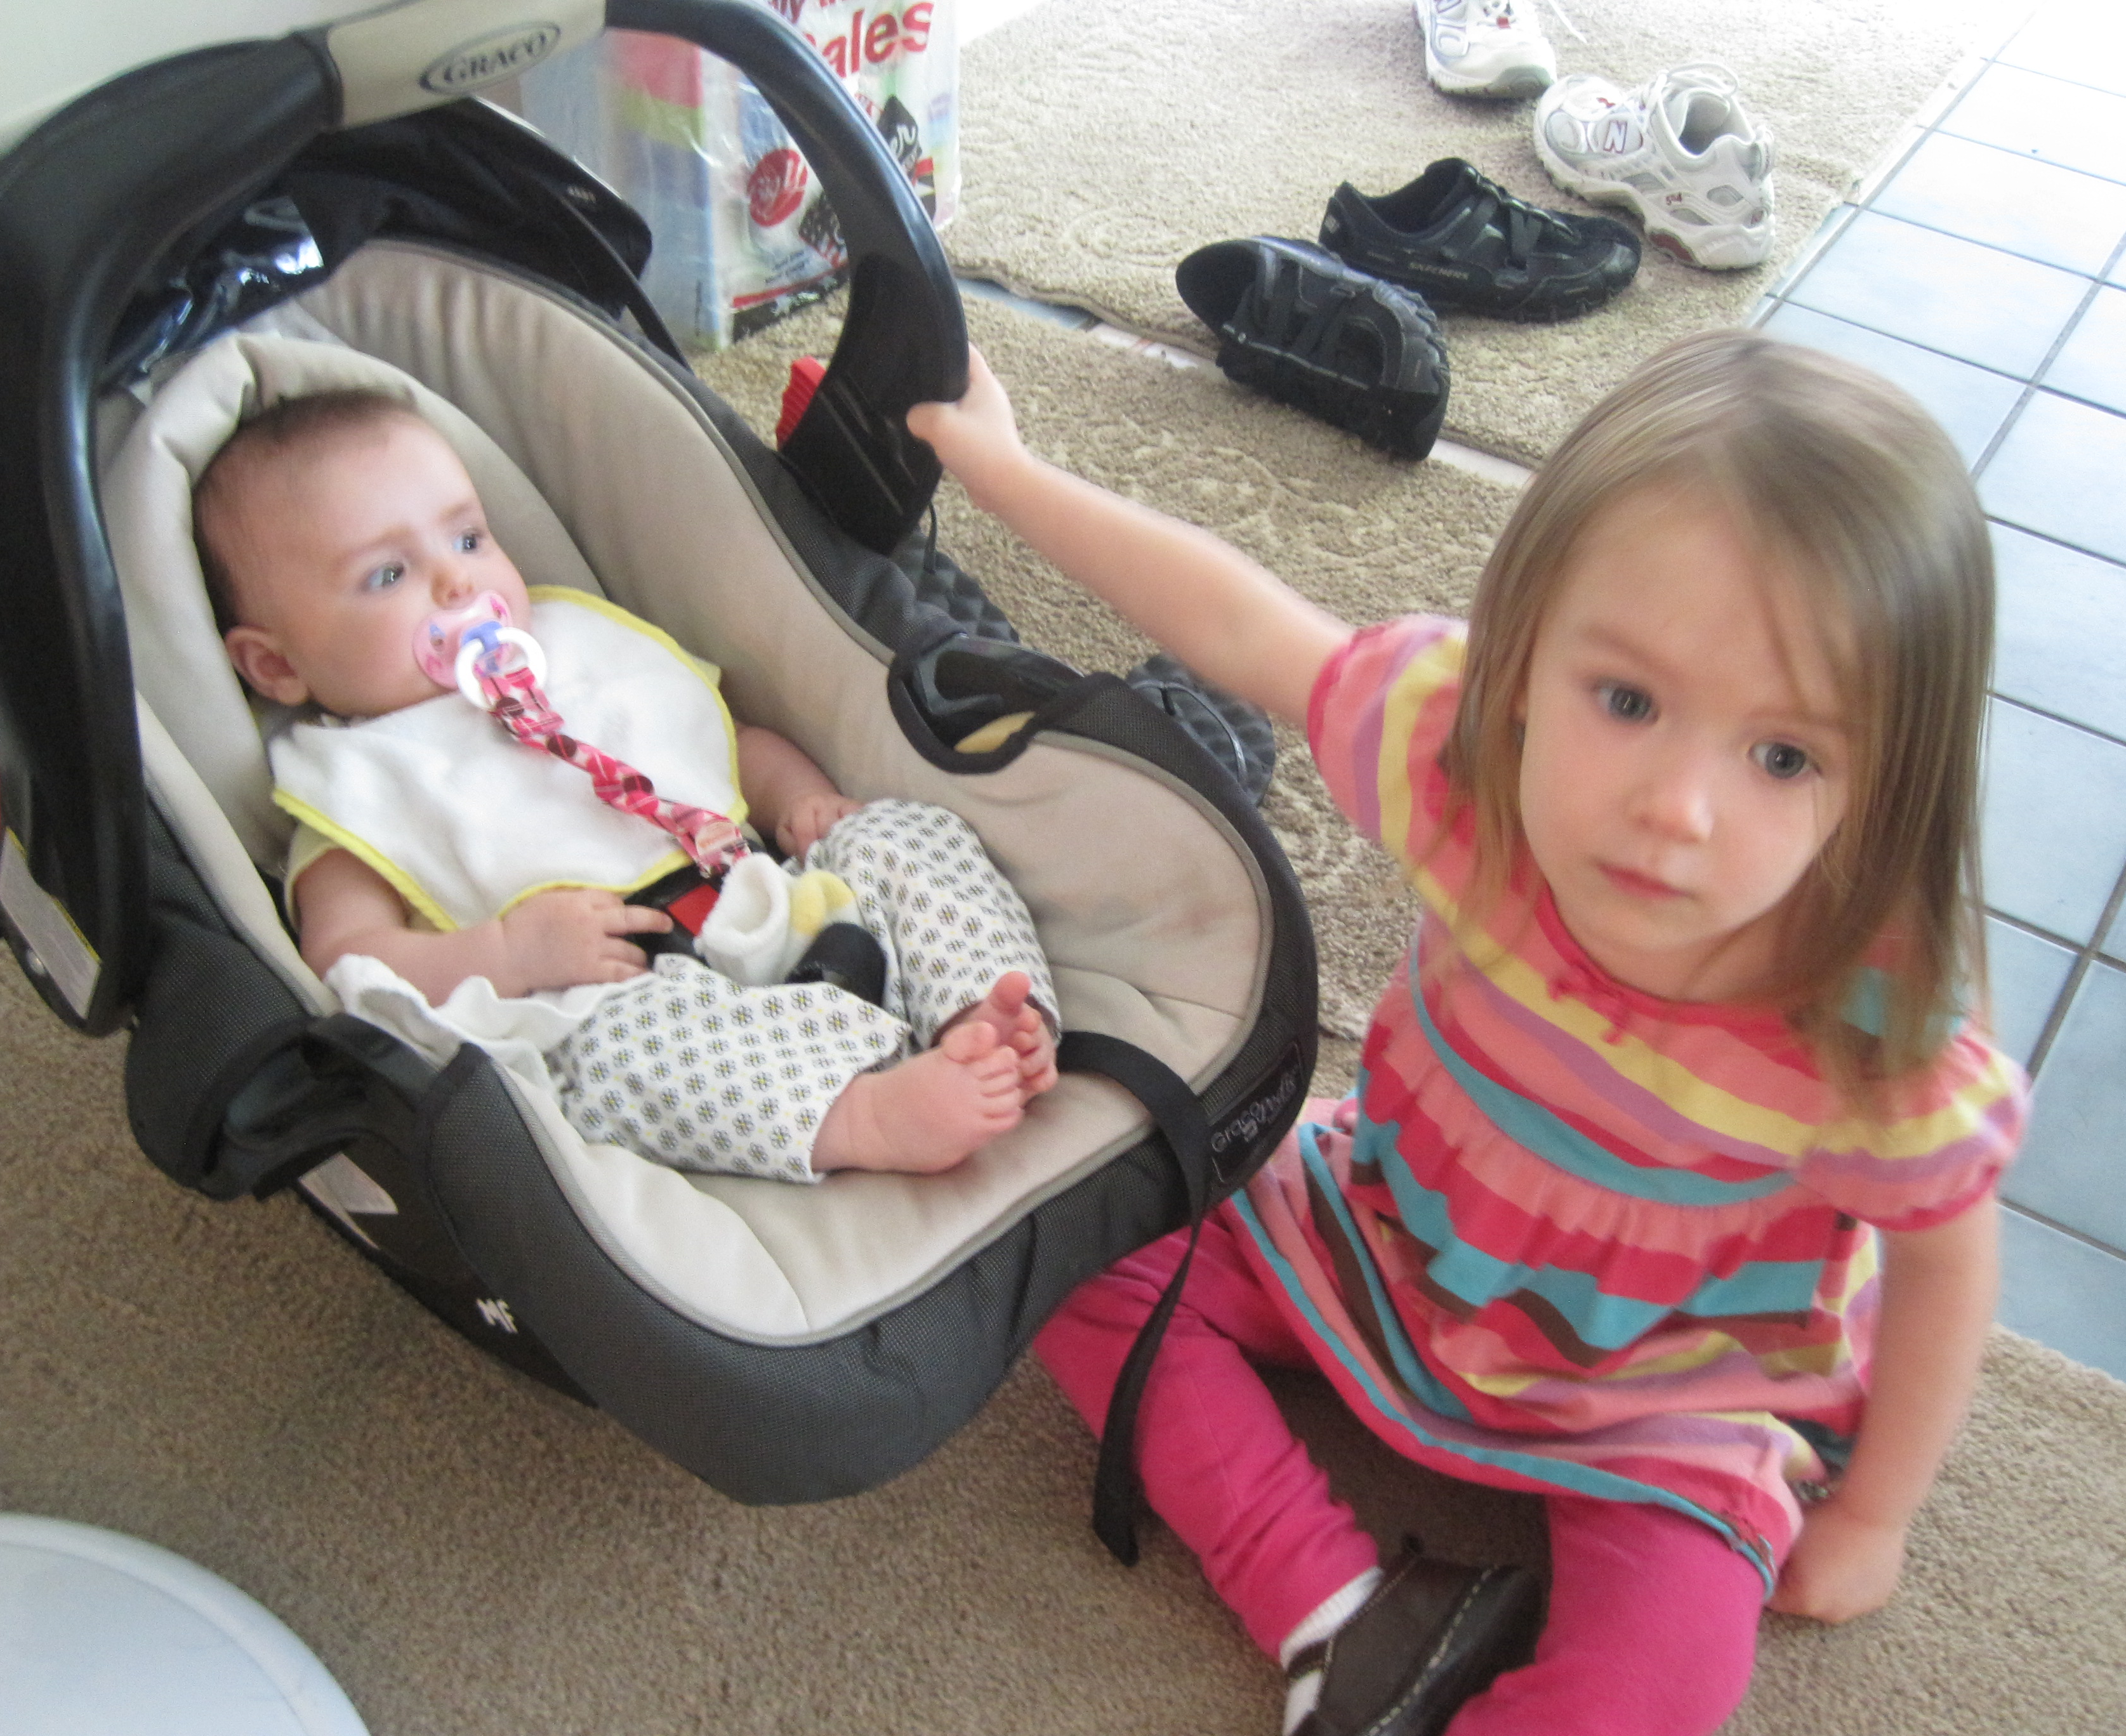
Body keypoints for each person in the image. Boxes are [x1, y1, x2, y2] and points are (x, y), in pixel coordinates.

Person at [906, 329, 2026, 1736]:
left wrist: (1877, 1515)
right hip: (1388, 1235)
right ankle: (1334, 1616)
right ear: (1521, 661)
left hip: (1671, 1395)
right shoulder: (1464, 766)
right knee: (1061, 1226)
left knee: (1664, 1691)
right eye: (1627, 701)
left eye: (1783, 755)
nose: (1677, 810)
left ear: (1889, 781)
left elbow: (1946, 1262)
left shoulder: (1868, 1031)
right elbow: (1243, 626)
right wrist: (1007, 473)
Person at [196, 389, 1057, 1183]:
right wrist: (505, 955)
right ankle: (862, 1116)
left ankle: (978, 1011)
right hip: (623, 990)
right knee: (610, 1057)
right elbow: (345, 959)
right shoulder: (356, 788)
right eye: (388, 575)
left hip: (777, 900)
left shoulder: (575, 649)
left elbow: (724, 742)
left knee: (903, 831)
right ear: (275, 666)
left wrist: (800, 801)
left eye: (469, 539)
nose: (458, 582)